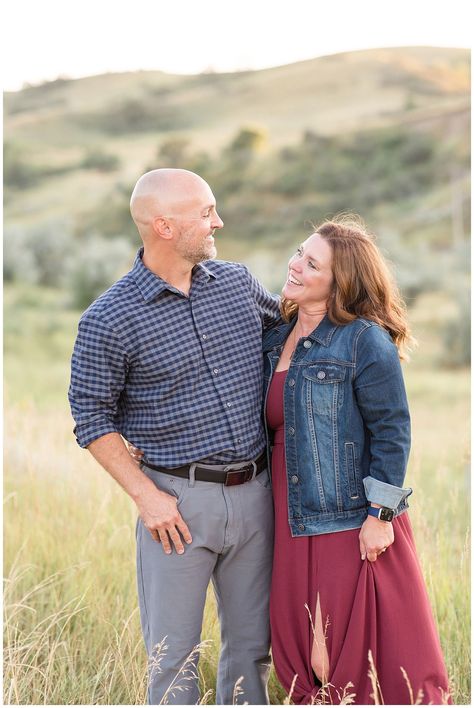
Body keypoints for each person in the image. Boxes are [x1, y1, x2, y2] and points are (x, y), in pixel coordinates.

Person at [68, 168, 281, 705]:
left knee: (252, 652)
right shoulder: (109, 318)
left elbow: (293, 337)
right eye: (206, 212)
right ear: (164, 225)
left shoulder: (237, 283)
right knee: (174, 657)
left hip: (256, 495)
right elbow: (91, 417)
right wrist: (147, 497)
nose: (219, 222)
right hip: (175, 508)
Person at [263, 217, 451, 705]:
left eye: (312, 263)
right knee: (300, 647)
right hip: (285, 512)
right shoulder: (273, 335)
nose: (296, 265)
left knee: (336, 650)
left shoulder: (364, 340)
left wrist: (380, 515)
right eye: (299, 253)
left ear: (339, 282)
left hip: (345, 516)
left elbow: (392, 431)